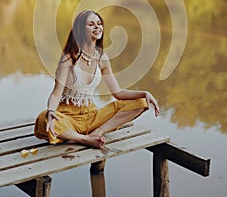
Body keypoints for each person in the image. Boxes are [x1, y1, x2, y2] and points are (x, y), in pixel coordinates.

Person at [34, 10, 160, 148]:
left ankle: (96, 133)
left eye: (99, 24)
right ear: (80, 30)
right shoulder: (69, 59)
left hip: (92, 116)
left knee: (141, 102)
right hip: (68, 117)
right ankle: (83, 139)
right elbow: (56, 94)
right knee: (43, 118)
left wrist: (144, 93)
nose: (97, 27)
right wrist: (51, 111)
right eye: (91, 24)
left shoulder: (102, 59)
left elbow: (118, 93)